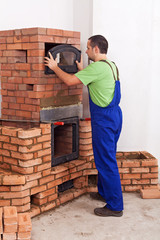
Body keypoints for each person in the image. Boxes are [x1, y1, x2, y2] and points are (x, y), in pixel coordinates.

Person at [44, 35, 124, 217]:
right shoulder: (111, 65)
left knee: (106, 161)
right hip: (115, 116)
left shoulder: (96, 68)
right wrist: (83, 71)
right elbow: (97, 82)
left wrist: (55, 67)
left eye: (88, 48)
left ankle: (115, 206)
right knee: (107, 157)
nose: (86, 51)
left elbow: (70, 81)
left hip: (104, 119)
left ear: (96, 49)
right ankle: (104, 193)